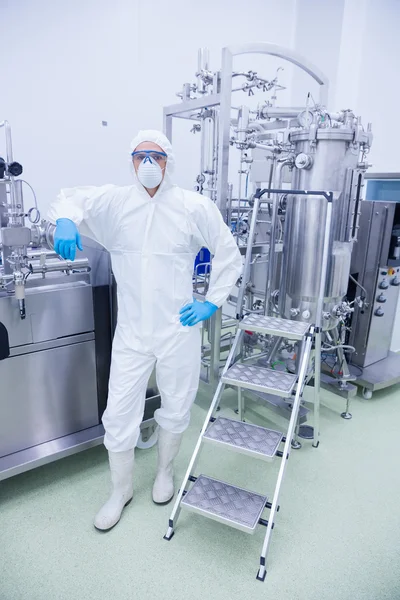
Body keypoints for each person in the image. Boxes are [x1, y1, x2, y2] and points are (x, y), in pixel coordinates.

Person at [47, 130, 243, 531]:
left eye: (156, 156)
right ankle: (120, 491)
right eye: (140, 156)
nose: (148, 165)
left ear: (169, 161)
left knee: (176, 405)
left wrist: (211, 301)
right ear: (131, 161)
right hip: (133, 333)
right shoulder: (117, 203)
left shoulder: (192, 206)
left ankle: (164, 473)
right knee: (118, 412)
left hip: (178, 329)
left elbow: (228, 250)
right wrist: (65, 219)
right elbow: (71, 196)